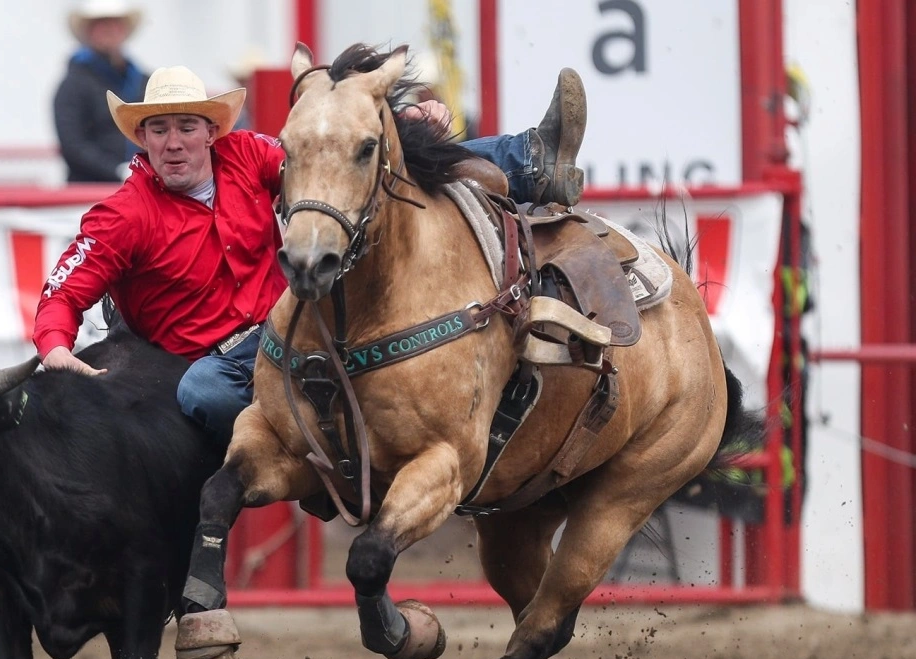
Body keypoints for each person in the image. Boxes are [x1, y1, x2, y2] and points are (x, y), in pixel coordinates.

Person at [33, 64, 586, 445]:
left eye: (186, 127)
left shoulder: (245, 154)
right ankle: (312, 438)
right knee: (201, 392)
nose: (173, 142)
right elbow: (61, 294)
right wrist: (56, 349)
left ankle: (526, 159)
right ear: (143, 139)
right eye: (159, 129)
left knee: (364, 174)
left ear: (210, 132)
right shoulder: (122, 216)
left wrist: (400, 130)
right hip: (224, 362)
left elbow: (334, 166)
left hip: (297, 323)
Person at [53, 0, 149, 183]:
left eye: (115, 23)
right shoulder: (73, 85)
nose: (109, 30)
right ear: (88, 32)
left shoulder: (143, 80)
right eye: (101, 24)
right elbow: (73, 146)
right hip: (90, 188)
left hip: (141, 183)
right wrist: (117, 171)